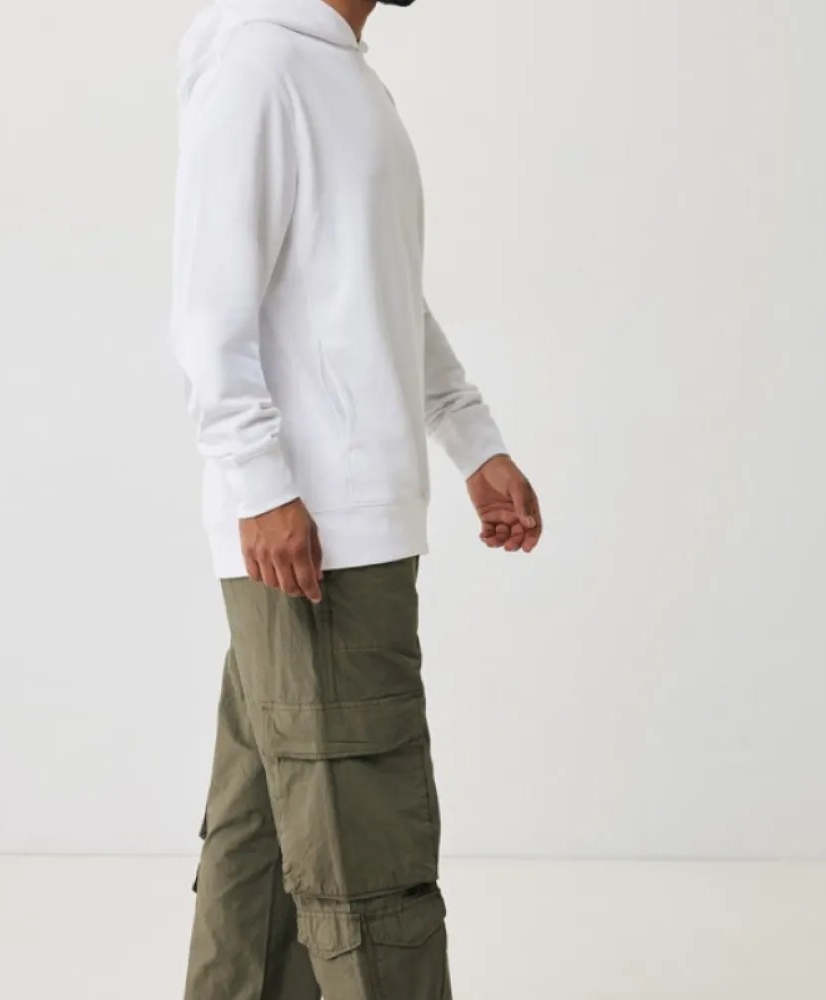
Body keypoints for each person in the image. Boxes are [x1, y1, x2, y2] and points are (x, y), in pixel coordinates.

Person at [171, 0, 542, 995]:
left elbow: (378, 287)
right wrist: (259, 485)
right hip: (316, 534)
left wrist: (470, 435)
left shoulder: (343, 74)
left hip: (341, 525)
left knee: (261, 849)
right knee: (365, 861)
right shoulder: (258, 69)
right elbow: (208, 308)